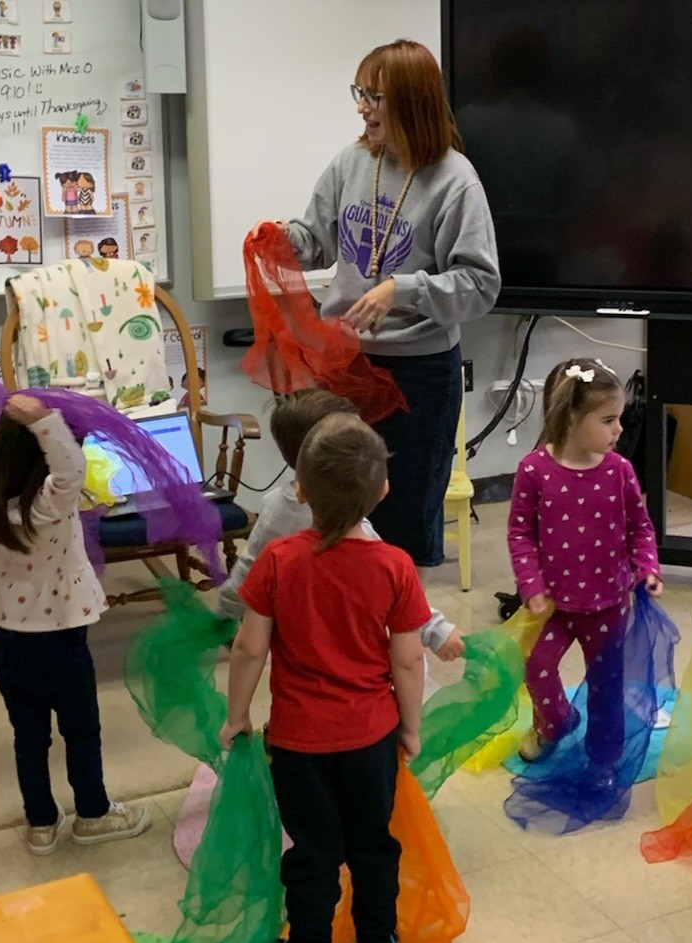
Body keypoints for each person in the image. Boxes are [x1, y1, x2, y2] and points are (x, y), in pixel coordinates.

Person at [264, 39, 501, 579]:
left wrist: (402, 289)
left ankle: (397, 625)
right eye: (359, 92)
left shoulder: (456, 180)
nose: (361, 107)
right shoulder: (352, 162)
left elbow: (481, 285)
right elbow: (316, 241)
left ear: (411, 102)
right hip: (345, 367)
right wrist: (284, 238)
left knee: (400, 526)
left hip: (419, 377)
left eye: (374, 96)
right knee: (334, 512)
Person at [0, 346, 150, 854]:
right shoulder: (51, 503)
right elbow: (69, 469)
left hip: (11, 643)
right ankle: (92, 814)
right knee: (81, 733)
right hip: (63, 643)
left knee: (29, 738)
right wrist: (45, 420)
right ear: (47, 450)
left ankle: (41, 823)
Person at [222, 413, 428, 943]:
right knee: (373, 845)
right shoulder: (394, 566)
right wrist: (410, 727)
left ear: (300, 489)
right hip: (372, 738)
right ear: (383, 491)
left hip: (299, 744)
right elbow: (408, 659)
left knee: (313, 853)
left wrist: (237, 716)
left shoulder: (278, 560)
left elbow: (249, 648)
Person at [217, 388, 463, 662]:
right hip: (350, 647)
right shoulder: (355, 532)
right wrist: (437, 631)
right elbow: (397, 592)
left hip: (300, 647)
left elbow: (248, 568)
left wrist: (223, 614)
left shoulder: (275, 505)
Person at [506, 358, 662, 789]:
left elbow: (640, 528)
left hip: (608, 604)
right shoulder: (534, 470)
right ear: (571, 418)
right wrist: (531, 584)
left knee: (605, 685)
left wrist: (647, 567)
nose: (619, 430)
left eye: (619, 419)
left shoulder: (619, 470)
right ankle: (556, 722)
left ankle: (603, 758)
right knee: (536, 667)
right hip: (553, 606)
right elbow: (520, 533)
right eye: (608, 420)